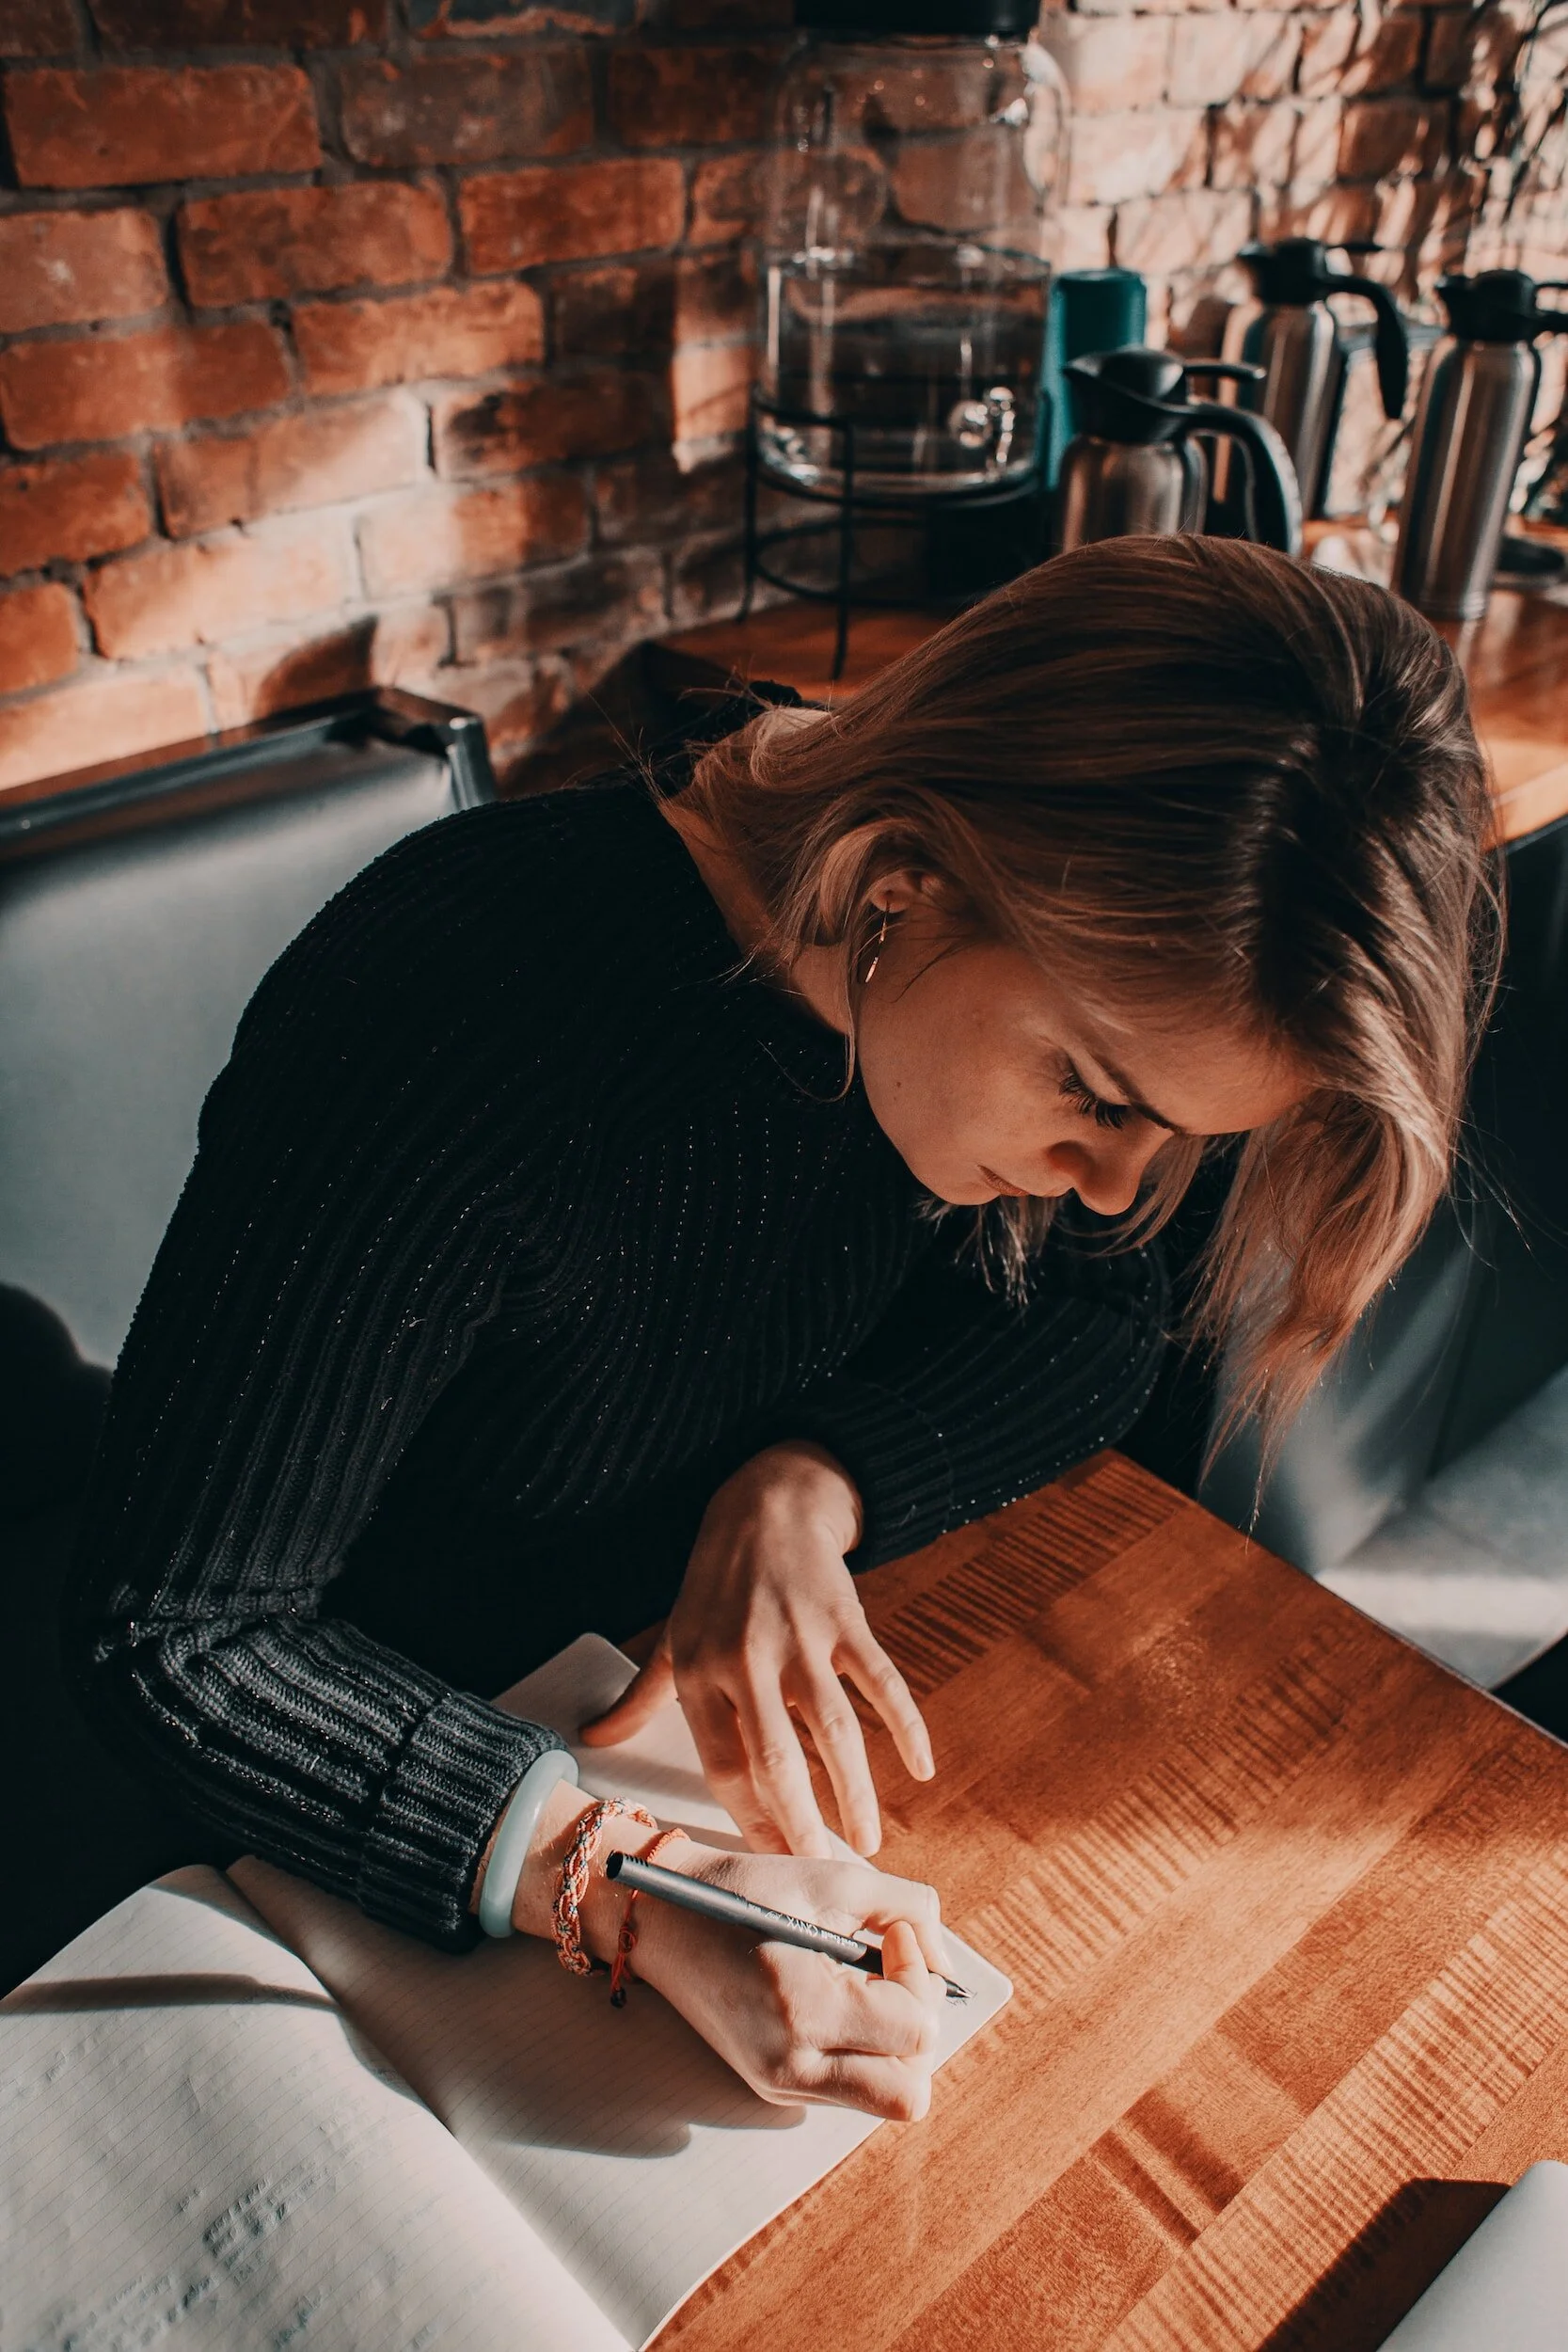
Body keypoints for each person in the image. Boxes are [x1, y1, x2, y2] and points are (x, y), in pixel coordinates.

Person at [64, 536, 1497, 2125]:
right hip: (305, 1797)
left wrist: (808, 1483)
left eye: (1173, 1138)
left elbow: (1102, 1311)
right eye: (1094, 1097)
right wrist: (611, 1875)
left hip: (612, 1720)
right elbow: (178, 1634)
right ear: (898, 882)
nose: (1107, 1191)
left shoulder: (935, 984)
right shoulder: (463, 1015)